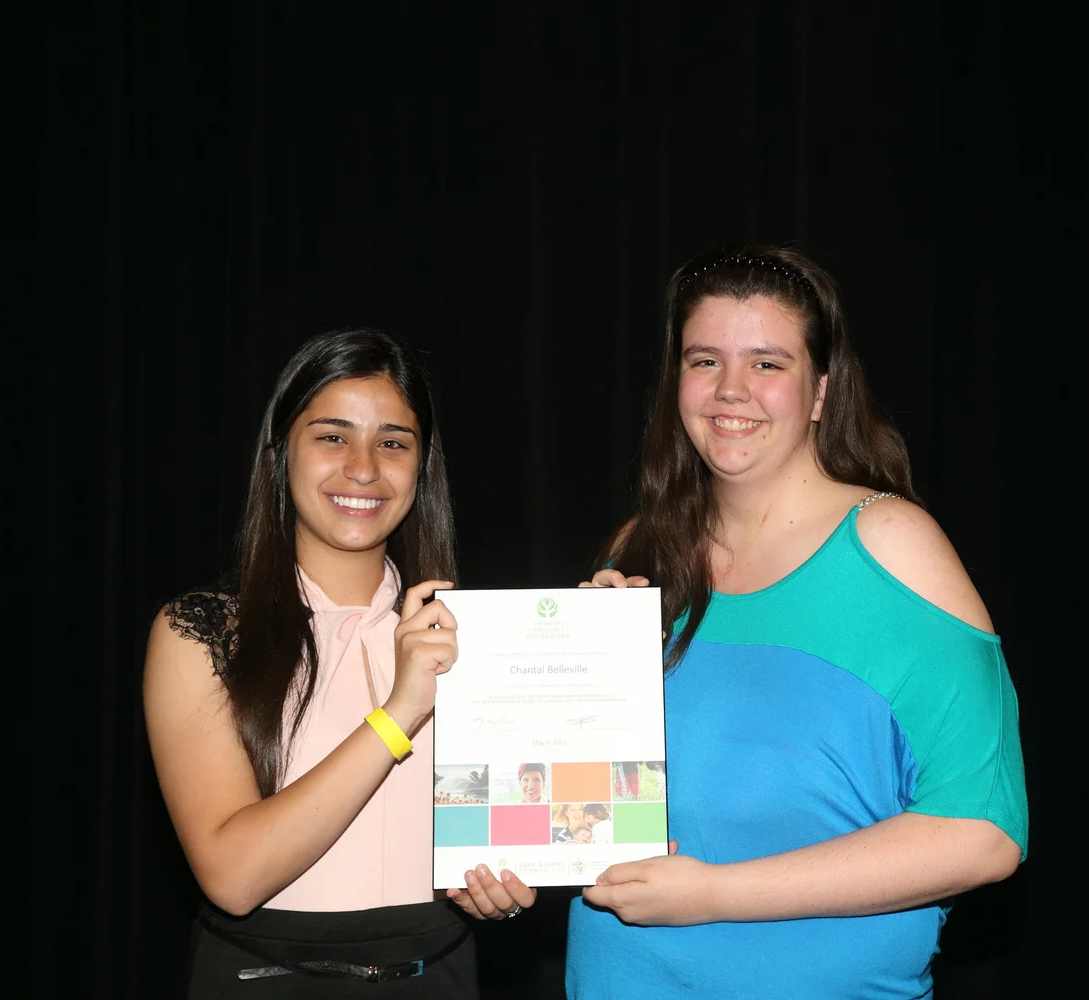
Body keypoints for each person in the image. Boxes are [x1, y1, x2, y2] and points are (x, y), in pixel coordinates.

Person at [567, 246, 1029, 998]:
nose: (731, 391)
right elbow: (586, 804)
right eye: (704, 360)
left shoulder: (892, 544)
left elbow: (983, 834)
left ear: (820, 391)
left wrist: (712, 896)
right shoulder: (639, 549)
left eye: (768, 364)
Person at [144, 328, 536, 998]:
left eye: (392, 441)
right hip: (261, 978)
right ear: (281, 452)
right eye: (332, 436)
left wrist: (605, 634)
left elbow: (525, 828)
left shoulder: (476, 636)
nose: (363, 467)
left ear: (422, 465)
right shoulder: (202, 634)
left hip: (436, 974)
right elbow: (233, 876)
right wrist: (400, 713)